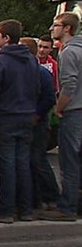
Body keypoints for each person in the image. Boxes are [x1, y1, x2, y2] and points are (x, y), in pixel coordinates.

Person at [0, 19, 40, 224]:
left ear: (6, 38)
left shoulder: (0, 62)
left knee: (6, 165)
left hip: (6, 117)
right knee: (22, 163)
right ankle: (25, 209)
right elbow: (37, 88)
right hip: (26, 116)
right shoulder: (31, 60)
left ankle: (5, 210)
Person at [40, 12, 82, 221]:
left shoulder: (67, 53)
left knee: (69, 161)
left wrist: (58, 107)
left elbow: (69, 85)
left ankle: (67, 207)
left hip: (73, 111)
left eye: (55, 25)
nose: (52, 29)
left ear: (67, 28)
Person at [20, 37, 58, 210]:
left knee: (38, 159)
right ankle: (37, 196)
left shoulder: (41, 72)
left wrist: (36, 115)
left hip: (38, 123)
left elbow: (50, 98)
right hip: (31, 121)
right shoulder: (35, 70)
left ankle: (52, 196)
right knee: (30, 160)